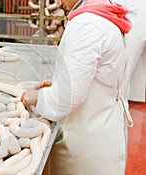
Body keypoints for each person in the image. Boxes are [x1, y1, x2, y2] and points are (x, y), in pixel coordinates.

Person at [21, 0, 133, 174]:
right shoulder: (102, 14)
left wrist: (37, 97)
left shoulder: (87, 24)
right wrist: (60, 81)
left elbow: (67, 98)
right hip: (104, 128)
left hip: (85, 146)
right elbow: (102, 76)